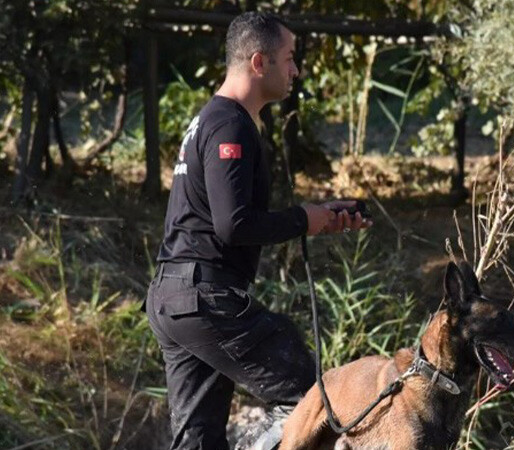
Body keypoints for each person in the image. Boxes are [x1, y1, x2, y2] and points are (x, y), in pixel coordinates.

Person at [144, 11, 371, 450]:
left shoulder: (210, 120)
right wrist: (305, 218)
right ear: (258, 62)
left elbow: (222, 218)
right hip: (204, 298)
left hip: (173, 297)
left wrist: (316, 216)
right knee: (311, 397)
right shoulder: (232, 125)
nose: (296, 69)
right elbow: (234, 225)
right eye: (289, 58)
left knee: (199, 440)